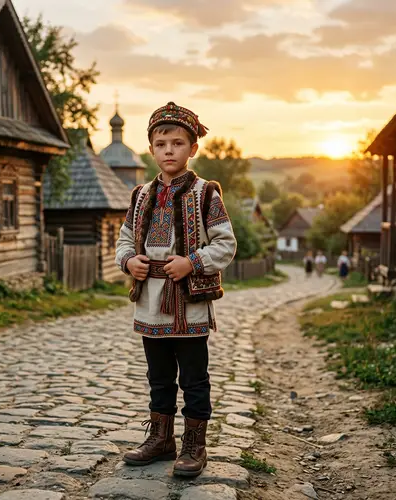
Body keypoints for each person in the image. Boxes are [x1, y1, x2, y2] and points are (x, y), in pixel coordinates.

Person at [115, 102, 237, 478]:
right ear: (150, 148)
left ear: (193, 148)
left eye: (178, 143)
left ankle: (195, 445)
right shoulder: (140, 196)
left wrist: (192, 262)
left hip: (188, 303)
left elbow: (225, 244)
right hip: (150, 302)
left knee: (194, 378)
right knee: (159, 376)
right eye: (161, 143)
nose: (169, 150)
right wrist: (128, 261)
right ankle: (162, 439)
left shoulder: (205, 195)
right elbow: (124, 239)